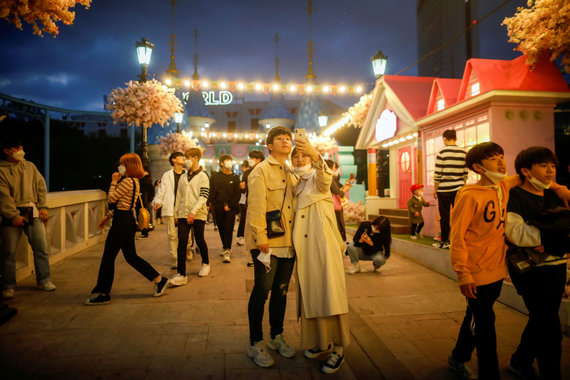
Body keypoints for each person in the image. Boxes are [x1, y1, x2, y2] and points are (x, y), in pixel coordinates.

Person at [504, 147, 568, 380]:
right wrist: (557, 234)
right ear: (525, 171)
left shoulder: (555, 195)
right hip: (530, 270)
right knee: (550, 327)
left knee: (541, 319)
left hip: (557, 266)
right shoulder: (516, 195)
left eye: (552, 164)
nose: (550, 169)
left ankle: (519, 361)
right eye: (543, 165)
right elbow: (516, 233)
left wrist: (550, 238)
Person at [291, 142, 350, 375]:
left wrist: (314, 154)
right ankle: (322, 342)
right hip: (307, 248)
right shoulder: (297, 182)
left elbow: (325, 176)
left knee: (331, 295)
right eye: (296, 156)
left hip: (323, 245)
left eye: (303, 156)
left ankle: (339, 349)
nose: (299, 159)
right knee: (314, 295)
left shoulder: (318, 177)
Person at [85, 153, 168, 305]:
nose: (120, 166)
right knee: (131, 257)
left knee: (108, 257)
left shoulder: (127, 182)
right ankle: (159, 279)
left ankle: (103, 293)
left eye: (122, 164)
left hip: (122, 223)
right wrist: (108, 215)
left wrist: (113, 182)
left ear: (129, 166)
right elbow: (125, 205)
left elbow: (111, 199)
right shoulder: (135, 181)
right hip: (127, 220)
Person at [245, 126, 298, 368]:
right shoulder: (260, 172)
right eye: (280, 139)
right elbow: (255, 207)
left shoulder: (291, 171)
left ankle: (277, 335)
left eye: (288, 138)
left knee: (282, 291)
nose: (286, 142)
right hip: (267, 243)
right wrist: (261, 238)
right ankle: (255, 342)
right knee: (261, 292)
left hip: (288, 244)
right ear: (270, 145)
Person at [0, 136, 56, 299]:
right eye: (17, 148)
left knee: (41, 247)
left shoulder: (30, 166)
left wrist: (43, 207)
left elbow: (40, 186)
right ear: (7, 150)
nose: (21, 151)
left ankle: (44, 279)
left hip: (32, 209)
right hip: (11, 214)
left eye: (21, 147)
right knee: (8, 252)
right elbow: (3, 196)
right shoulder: (2, 170)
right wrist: (13, 215)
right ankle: (8, 285)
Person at [170, 148, 211, 285]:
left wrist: (193, 212)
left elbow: (203, 196)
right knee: (182, 242)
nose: (186, 160)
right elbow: (179, 196)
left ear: (195, 158)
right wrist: (176, 213)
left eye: (188, 157)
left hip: (198, 214)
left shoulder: (203, 176)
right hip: (183, 214)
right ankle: (181, 274)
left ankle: (205, 263)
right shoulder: (183, 176)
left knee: (199, 239)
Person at [433, 129, 468, 249]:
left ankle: (445, 241)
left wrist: (435, 188)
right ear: (455, 138)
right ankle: (458, 241)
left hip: (444, 189)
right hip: (458, 189)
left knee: (445, 216)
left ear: (444, 139)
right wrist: (462, 186)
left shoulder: (442, 153)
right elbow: (465, 172)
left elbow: (438, 173)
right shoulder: (463, 153)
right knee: (458, 216)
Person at [152, 152, 186, 269]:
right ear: (174, 160)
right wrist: (157, 202)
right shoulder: (167, 175)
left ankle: (188, 250)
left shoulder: (187, 174)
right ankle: (176, 259)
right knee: (172, 235)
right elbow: (162, 190)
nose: (183, 158)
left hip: (184, 208)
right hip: (170, 207)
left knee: (185, 234)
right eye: (181, 156)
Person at [209, 154, 241, 263]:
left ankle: (228, 250)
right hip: (218, 207)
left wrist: (230, 206)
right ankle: (224, 246)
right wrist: (210, 203)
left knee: (228, 228)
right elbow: (211, 192)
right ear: (222, 163)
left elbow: (238, 194)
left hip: (231, 208)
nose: (229, 163)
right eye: (227, 161)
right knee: (221, 228)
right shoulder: (215, 177)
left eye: (230, 161)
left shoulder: (235, 177)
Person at [239, 150, 265, 266]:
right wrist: (242, 188)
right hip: (250, 203)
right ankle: (253, 256)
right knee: (251, 230)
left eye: (252, 158)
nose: (250, 160)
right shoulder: (248, 172)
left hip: (263, 203)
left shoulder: (265, 170)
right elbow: (243, 190)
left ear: (258, 160)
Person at [325, 159, 350, 241]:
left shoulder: (328, 177)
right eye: (334, 167)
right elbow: (336, 190)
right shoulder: (329, 177)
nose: (335, 170)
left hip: (329, 205)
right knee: (337, 226)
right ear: (329, 167)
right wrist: (342, 192)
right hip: (333, 206)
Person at [235, 160, 251, 246]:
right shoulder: (244, 175)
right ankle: (242, 237)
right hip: (243, 200)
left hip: (242, 200)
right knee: (245, 220)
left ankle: (241, 236)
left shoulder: (243, 175)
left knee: (243, 219)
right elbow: (242, 188)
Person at [137, 164, 154, 239]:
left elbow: (148, 189)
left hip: (143, 201)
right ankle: (145, 230)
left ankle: (145, 230)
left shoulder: (144, 179)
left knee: (143, 216)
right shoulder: (148, 179)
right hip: (144, 201)